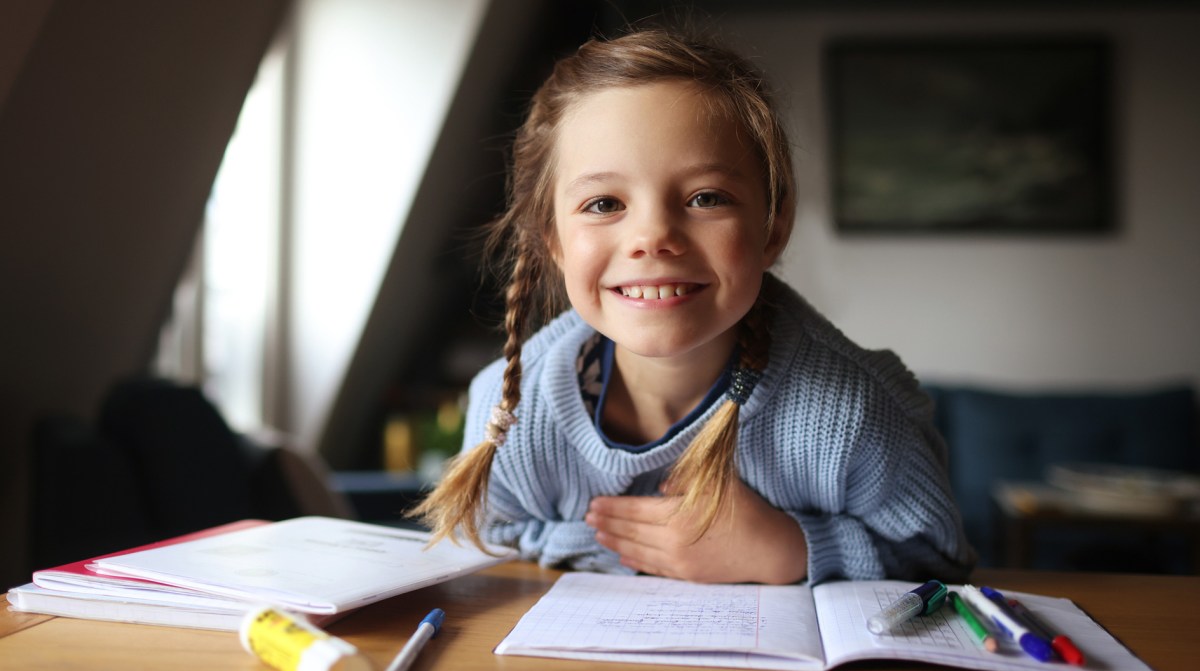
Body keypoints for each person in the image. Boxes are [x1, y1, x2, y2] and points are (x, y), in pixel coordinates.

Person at [411, 28, 976, 585]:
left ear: (772, 227)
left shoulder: (852, 413)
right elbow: (487, 545)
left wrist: (788, 550)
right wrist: (632, 549)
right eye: (604, 203)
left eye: (706, 198)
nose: (653, 236)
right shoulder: (511, 410)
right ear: (553, 240)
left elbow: (938, 561)